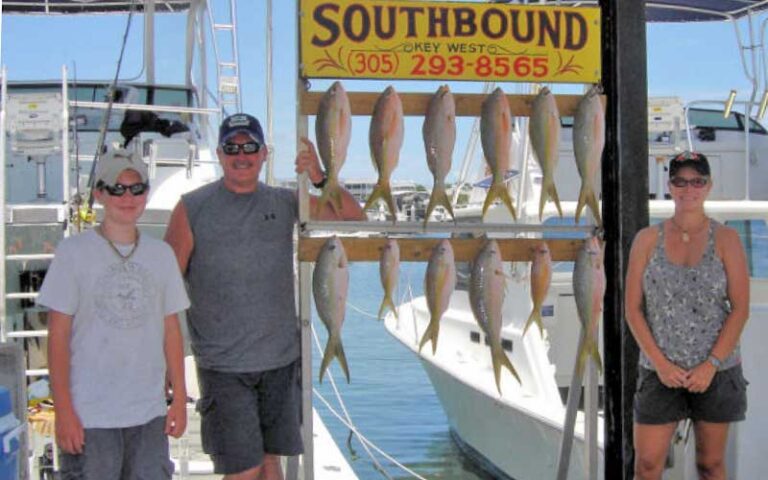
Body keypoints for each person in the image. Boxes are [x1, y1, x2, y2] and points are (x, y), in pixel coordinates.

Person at [164, 113, 364, 480]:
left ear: (265, 153)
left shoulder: (285, 201)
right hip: (223, 367)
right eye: (232, 147)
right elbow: (164, 290)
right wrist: (165, 367)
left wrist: (320, 177)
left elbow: (355, 217)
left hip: (280, 362)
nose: (242, 155)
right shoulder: (191, 208)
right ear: (221, 154)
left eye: (250, 146)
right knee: (244, 471)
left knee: (273, 465)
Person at [40, 148, 189, 479]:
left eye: (136, 188)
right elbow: (58, 338)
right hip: (90, 420)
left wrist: (178, 398)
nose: (127, 197)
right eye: (116, 188)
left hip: (149, 418)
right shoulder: (72, 254)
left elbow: (172, 332)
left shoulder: (162, 255)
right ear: (99, 194)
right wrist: (64, 411)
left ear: (146, 194)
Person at [625, 151, 750, 480]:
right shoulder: (646, 239)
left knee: (711, 465)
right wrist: (661, 365)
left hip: (716, 373)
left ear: (708, 186)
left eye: (697, 181)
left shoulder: (727, 239)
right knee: (647, 466)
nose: (689, 188)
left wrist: (711, 365)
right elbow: (632, 308)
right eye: (681, 181)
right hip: (659, 372)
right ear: (669, 186)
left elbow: (740, 308)